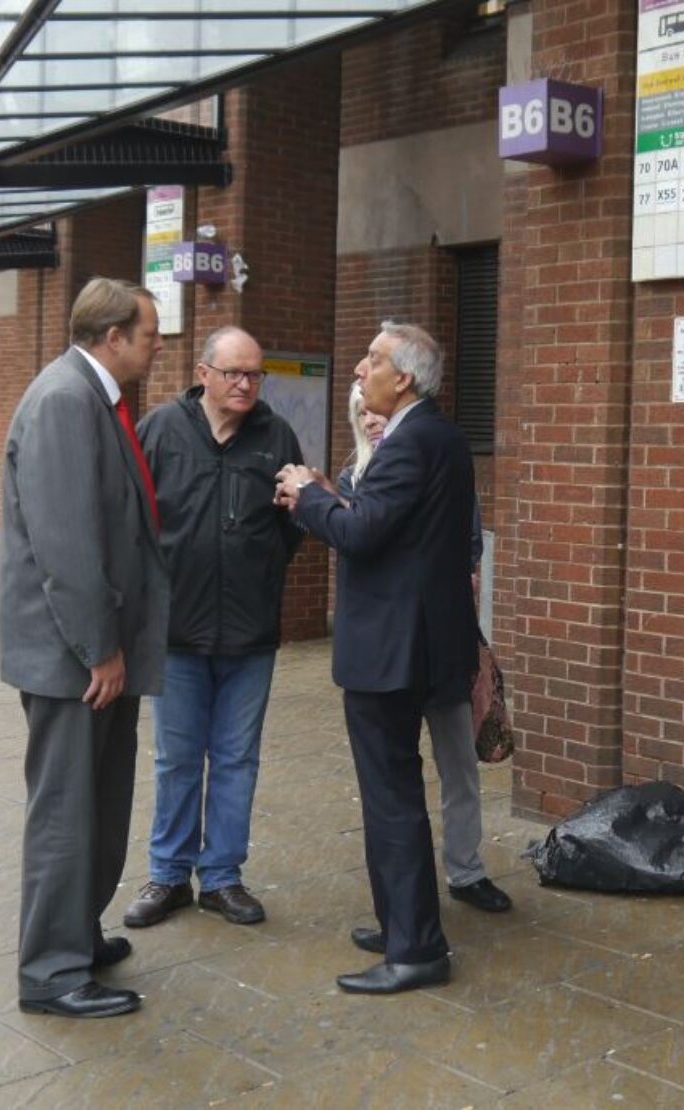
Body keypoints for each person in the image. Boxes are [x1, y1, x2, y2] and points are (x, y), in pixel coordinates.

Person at [275, 322, 476, 995]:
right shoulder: (442, 436)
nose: (360, 370)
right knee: (397, 793)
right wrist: (333, 497)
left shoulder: (406, 444)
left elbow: (360, 535)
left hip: (391, 653)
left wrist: (307, 496)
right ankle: (401, 921)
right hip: (424, 644)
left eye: (373, 360)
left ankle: (415, 948)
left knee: (390, 797)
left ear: (406, 378)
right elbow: (397, 531)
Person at [0, 277, 169, 1019]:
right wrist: (101, 649)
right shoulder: (67, 401)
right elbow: (66, 544)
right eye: (150, 334)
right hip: (77, 660)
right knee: (67, 810)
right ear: (112, 338)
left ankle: (78, 934)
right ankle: (51, 973)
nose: (158, 345)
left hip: (98, 656)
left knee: (99, 799)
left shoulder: (93, 397)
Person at [122, 327, 305, 930]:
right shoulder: (160, 430)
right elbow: (134, 519)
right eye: (234, 373)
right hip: (177, 631)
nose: (246, 384)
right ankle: (168, 875)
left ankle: (222, 878)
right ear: (204, 373)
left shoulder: (275, 435)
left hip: (250, 633)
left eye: (255, 374)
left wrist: (261, 568)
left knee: (236, 758)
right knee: (177, 758)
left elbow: (291, 525)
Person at [342, 383, 511, 914]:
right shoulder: (352, 481)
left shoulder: (432, 462)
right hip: (392, 655)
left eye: (376, 410)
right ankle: (406, 902)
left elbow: (467, 544)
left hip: (441, 647)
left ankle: (466, 869)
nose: (371, 420)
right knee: (395, 780)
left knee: (457, 761)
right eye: (361, 413)